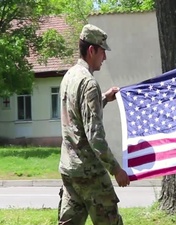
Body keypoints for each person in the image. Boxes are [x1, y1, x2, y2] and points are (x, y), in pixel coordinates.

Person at [58, 24, 130, 225]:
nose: (104, 58)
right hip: (90, 173)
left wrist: (104, 98)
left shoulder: (69, 76)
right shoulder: (89, 83)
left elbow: (77, 114)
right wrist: (116, 169)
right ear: (91, 50)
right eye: (102, 51)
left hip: (69, 169)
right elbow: (95, 137)